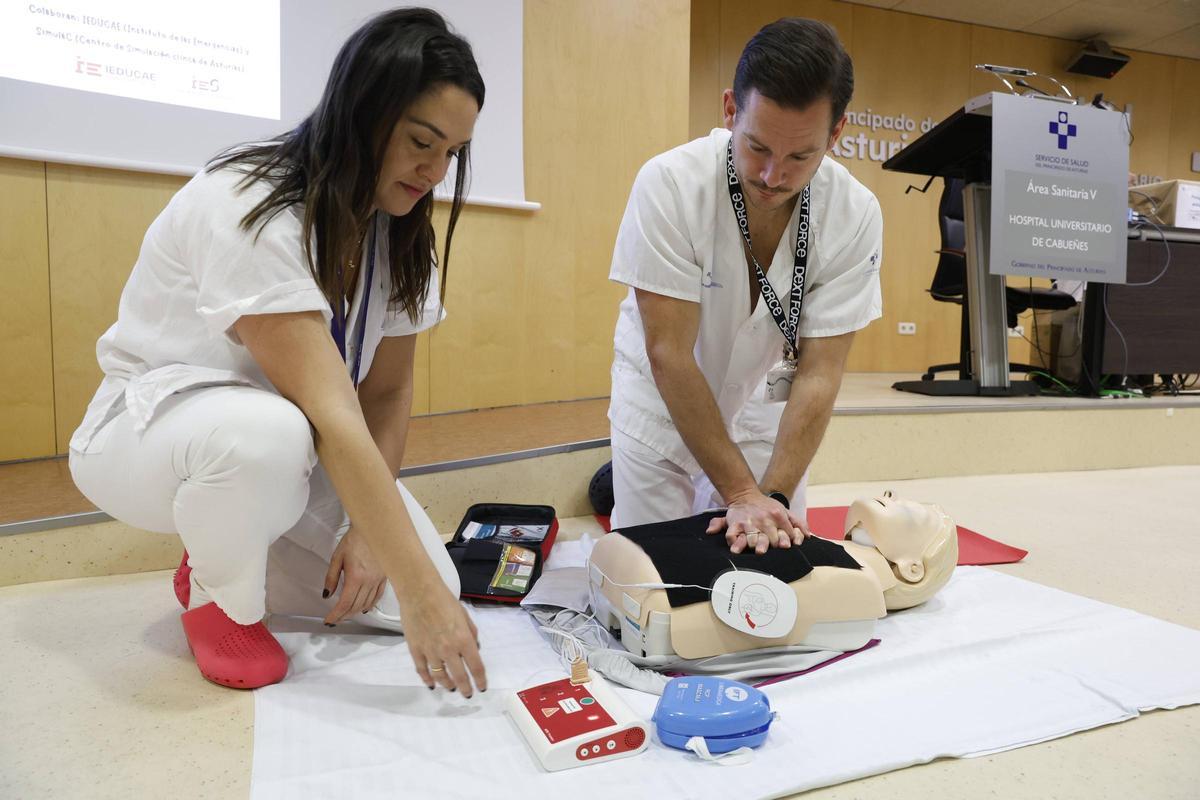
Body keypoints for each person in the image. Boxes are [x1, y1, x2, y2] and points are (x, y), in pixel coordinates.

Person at [68, 8, 486, 696]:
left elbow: (383, 395)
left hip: (287, 451)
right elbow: (329, 408)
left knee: (430, 581)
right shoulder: (248, 201)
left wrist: (374, 540)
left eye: (453, 154)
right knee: (269, 435)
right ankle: (218, 595)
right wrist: (419, 598)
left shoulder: (400, 236)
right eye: (421, 141)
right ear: (364, 110)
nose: (434, 171)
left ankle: (222, 544)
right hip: (142, 439)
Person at [607, 18, 883, 555]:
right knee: (654, 576)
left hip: (763, 407)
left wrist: (770, 496)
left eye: (801, 156)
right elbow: (668, 352)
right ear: (730, 109)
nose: (773, 175)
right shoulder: (670, 185)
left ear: (836, 134)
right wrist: (738, 491)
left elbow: (821, 370)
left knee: (776, 568)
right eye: (757, 147)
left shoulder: (855, 213)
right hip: (661, 400)